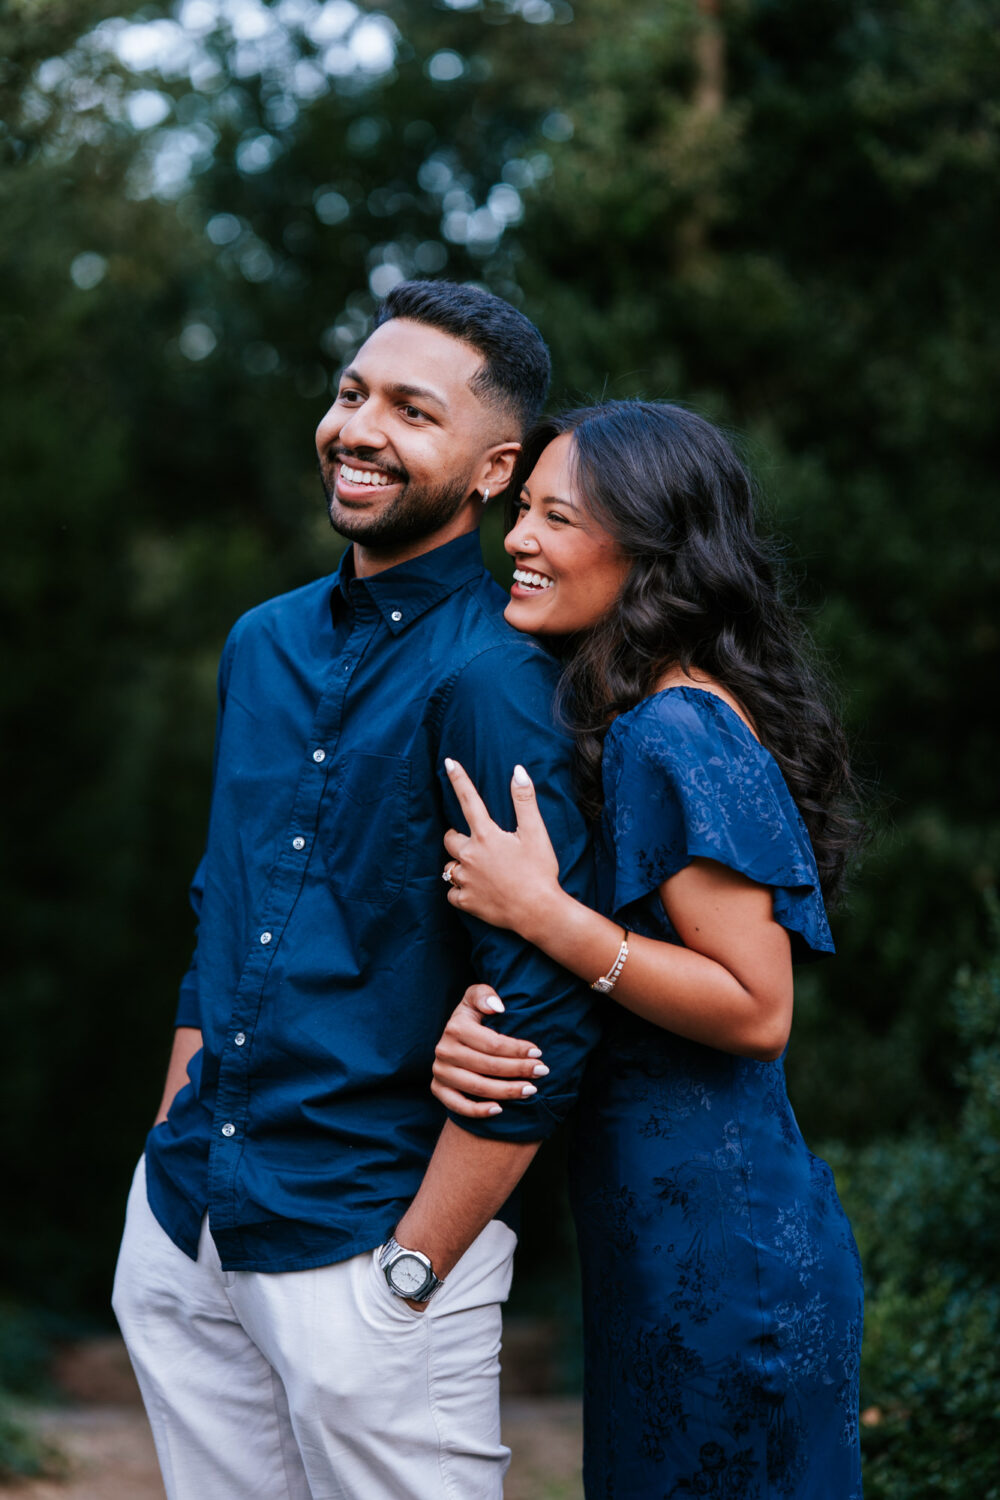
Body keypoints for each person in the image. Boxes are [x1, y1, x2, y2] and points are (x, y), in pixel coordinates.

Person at [111, 280, 602, 1500]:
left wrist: (413, 1272)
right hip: (190, 1220)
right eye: (349, 393)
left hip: (369, 1240)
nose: (357, 427)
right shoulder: (260, 644)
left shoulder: (500, 682)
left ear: (493, 470)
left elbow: (543, 1009)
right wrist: (172, 1162)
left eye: (408, 411)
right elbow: (218, 911)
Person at [430, 401, 865, 1499]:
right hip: (667, 1242)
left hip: (724, 1260)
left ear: (652, 553)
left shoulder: (672, 727)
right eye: (521, 510)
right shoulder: (636, 714)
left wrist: (546, 918)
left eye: (558, 518)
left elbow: (756, 1008)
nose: (519, 539)